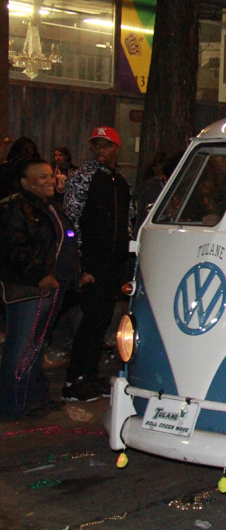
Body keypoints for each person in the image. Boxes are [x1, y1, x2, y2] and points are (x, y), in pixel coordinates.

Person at [0, 159, 79, 419]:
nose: (49, 181)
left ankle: (33, 399)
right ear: (26, 182)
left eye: (50, 175)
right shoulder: (15, 208)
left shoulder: (47, 206)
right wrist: (39, 275)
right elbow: (14, 249)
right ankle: (12, 405)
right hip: (27, 288)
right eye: (41, 177)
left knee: (35, 345)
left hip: (47, 285)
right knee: (21, 346)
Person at [63, 126, 134, 402]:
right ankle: (75, 378)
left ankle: (90, 373)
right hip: (91, 261)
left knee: (102, 318)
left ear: (116, 148)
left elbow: (127, 219)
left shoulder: (120, 180)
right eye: (97, 145)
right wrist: (79, 261)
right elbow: (71, 219)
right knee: (91, 319)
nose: (101, 150)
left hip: (112, 262)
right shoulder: (82, 177)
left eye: (106, 145)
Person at [0, 136, 40, 201]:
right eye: (26, 149)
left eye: (31, 149)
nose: (28, 152)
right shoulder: (7, 168)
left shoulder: (37, 167)